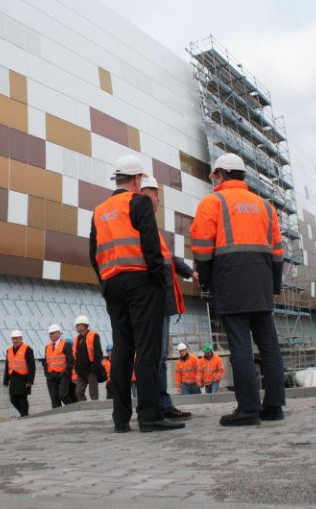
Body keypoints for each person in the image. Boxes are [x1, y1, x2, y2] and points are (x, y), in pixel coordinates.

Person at [89, 154, 184, 433]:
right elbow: (151, 246)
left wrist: (105, 283)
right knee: (147, 349)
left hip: (112, 285)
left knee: (122, 350)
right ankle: (150, 417)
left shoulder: (99, 211)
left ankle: (121, 419)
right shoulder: (138, 201)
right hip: (142, 282)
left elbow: (93, 254)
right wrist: (158, 280)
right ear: (138, 179)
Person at [191, 153, 286, 426]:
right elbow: (278, 251)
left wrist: (206, 280)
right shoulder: (265, 206)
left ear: (220, 174)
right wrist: (274, 285)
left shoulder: (213, 202)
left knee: (240, 345)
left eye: (214, 176)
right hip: (262, 280)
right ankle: (274, 405)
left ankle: (248, 409)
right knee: (269, 345)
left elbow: (202, 246)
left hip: (230, 279)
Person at [140, 175, 198, 420]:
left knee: (161, 356)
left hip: (161, 300)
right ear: (143, 194)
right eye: (154, 193)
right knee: (156, 356)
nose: (157, 199)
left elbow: (169, 259)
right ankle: (158, 405)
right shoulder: (140, 223)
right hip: (153, 300)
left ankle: (161, 403)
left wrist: (190, 272)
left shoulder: (151, 226)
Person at [3, 330, 35, 417]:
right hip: (13, 378)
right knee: (13, 398)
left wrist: (30, 381)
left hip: (23, 378)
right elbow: (7, 366)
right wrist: (6, 380)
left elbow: (32, 366)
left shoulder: (28, 349)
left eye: (17, 338)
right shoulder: (9, 350)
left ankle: (24, 415)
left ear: (21, 338)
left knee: (22, 398)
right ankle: (24, 414)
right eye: (13, 339)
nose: (15, 341)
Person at [72, 315, 103, 401]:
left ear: (83, 325)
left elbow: (99, 353)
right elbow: (75, 354)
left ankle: (95, 408)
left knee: (93, 393)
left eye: (77, 325)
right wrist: (76, 367)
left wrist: (94, 368)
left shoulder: (93, 336)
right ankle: (85, 408)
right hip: (80, 370)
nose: (76, 327)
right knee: (78, 392)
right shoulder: (77, 339)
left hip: (90, 369)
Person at [42, 324, 74, 408]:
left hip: (62, 375)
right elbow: (45, 362)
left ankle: (72, 410)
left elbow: (70, 361)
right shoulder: (47, 347)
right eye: (50, 334)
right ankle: (58, 418)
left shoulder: (66, 345)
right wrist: (47, 374)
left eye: (53, 333)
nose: (51, 335)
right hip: (51, 377)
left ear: (59, 333)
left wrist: (65, 373)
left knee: (63, 395)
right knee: (54, 399)